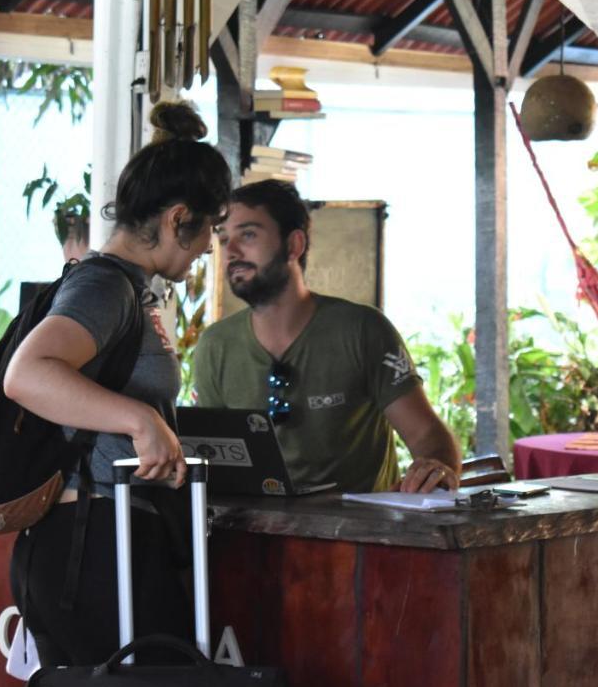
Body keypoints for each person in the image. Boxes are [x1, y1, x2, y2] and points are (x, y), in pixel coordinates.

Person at [3, 101, 231, 668]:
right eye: (210, 230)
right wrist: (141, 420)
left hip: (109, 535)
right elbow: (27, 374)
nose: (209, 248)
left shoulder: (133, 289)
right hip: (94, 542)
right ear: (180, 218)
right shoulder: (104, 288)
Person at [193, 180, 461, 494]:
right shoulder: (215, 345)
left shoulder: (362, 330)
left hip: (359, 536)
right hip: (256, 535)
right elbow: (212, 460)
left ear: (294, 245)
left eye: (248, 235)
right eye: (223, 239)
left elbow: (427, 436)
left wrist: (435, 468)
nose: (231, 252)